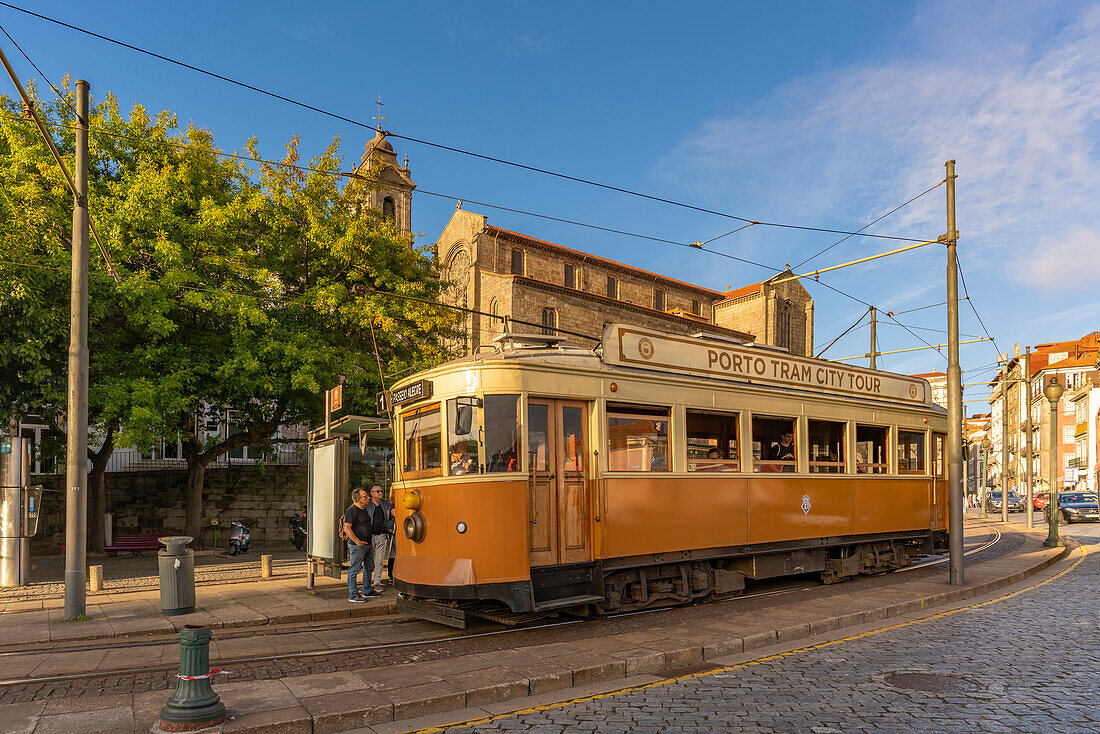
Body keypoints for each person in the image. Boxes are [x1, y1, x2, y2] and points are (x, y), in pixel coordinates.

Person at [342, 488, 376, 602]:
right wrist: (358, 542)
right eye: (365, 496)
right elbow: (347, 528)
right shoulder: (351, 511)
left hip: (367, 544)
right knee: (355, 569)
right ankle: (353, 595)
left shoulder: (364, 510)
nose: (368, 498)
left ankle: (367, 590)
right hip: (358, 546)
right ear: (358, 499)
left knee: (369, 567)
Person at [366, 485, 395, 594]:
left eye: (382, 491)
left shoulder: (385, 504)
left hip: (382, 536)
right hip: (370, 536)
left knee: (379, 561)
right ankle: (367, 583)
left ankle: (377, 582)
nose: (380, 493)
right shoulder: (367, 505)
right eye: (377, 491)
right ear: (372, 493)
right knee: (368, 561)